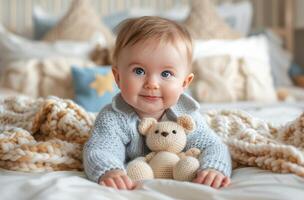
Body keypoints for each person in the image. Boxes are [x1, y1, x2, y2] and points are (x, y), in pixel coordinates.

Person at [83, 16, 232, 190]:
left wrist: (213, 168)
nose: (152, 83)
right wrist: (110, 170)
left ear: (184, 83)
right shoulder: (113, 117)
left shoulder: (185, 116)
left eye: (166, 74)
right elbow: (100, 149)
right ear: (118, 77)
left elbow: (212, 145)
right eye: (139, 71)